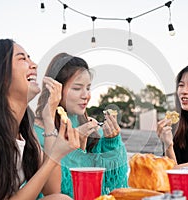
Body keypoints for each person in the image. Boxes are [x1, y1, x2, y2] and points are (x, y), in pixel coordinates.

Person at [0, 39, 80, 200]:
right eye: (22, 58)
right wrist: (54, 156)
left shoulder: (25, 133)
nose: (34, 65)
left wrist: (49, 122)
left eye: (30, 58)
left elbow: (52, 190)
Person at [34, 53, 128, 198]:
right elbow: (52, 190)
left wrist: (112, 141)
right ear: (55, 90)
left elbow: (115, 182)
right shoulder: (35, 131)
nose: (86, 95)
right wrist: (76, 147)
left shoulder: (89, 126)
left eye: (88, 88)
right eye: (77, 88)